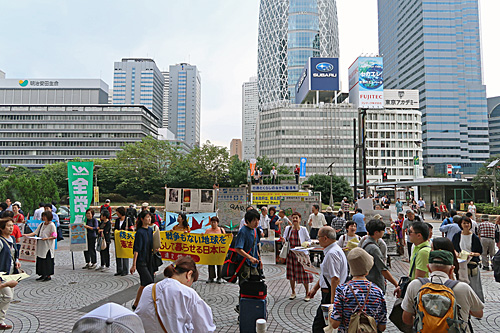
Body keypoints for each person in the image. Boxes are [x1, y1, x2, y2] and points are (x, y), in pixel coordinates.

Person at [401, 250, 484, 332]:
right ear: (452, 269)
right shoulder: (463, 288)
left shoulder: (415, 285)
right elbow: (479, 314)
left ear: (428, 268)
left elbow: (406, 319)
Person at [135, 257, 216, 332]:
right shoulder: (188, 294)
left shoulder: (148, 289)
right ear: (189, 274)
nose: (190, 285)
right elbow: (204, 328)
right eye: (191, 281)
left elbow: (141, 317)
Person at [329, 247, 387, 333]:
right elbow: (382, 327)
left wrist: (331, 309)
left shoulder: (342, 290)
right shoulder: (378, 291)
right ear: (367, 270)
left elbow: (335, 324)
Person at [307, 226, 348, 333]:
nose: (318, 239)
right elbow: (326, 276)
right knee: (322, 326)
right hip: (330, 294)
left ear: (325, 238)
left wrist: (332, 303)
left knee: (319, 327)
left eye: (319, 237)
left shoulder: (332, 253)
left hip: (330, 295)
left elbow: (335, 279)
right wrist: (315, 289)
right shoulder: (334, 250)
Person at [361, 219, 399, 293]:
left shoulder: (366, 241)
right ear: (376, 232)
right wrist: (396, 284)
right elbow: (383, 269)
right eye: (382, 230)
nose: (384, 232)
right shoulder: (374, 248)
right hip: (374, 282)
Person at [452, 216, 484, 302]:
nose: (466, 225)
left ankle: (476, 303)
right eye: (464, 223)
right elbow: (453, 248)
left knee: (475, 285)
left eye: (468, 223)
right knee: (461, 285)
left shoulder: (474, 237)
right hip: (460, 264)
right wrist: (456, 253)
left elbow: (479, 252)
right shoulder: (457, 236)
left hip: (472, 264)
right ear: (460, 224)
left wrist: (473, 254)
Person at [282, 212, 312, 301]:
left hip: (301, 255)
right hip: (291, 255)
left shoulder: (303, 229)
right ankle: (293, 292)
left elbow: (308, 240)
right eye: (293, 218)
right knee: (292, 274)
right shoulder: (288, 229)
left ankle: (307, 293)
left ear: (300, 219)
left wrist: (307, 244)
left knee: (304, 274)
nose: (295, 219)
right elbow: (285, 239)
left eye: (296, 218)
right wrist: (283, 240)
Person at [130, 210, 157, 310]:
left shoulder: (150, 230)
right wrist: (134, 265)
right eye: (147, 217)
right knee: (149, 283)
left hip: (149, 260)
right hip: (141, 262)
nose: (149, 219)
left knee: (144, 284)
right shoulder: (139, 232)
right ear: (142, 219)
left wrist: (155, 248)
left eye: (150, 217)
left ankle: (136, 304)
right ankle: (148, 304)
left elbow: (151, 245)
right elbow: (136, 250)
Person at [25, 211, 56, 282]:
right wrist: (27, 235)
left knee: (47, 260)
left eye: (45, 216)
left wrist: (47, 238)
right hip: (41, 245)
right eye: (43, 216)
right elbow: (35, 232)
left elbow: (54, 236)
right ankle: (42, 274)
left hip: (47, 245)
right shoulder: (42, 224)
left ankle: (47, 275)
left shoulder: (52, 225)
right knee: (40, 259)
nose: (43, 218)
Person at [0, 218, 20, 330]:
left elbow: (15, 253)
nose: (11, 228)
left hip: (11, 272)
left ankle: (1, 320)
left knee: (6, 297)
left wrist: (17, 260)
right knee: (7, 296)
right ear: (1, 228)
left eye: (12, 225)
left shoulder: (12, 238)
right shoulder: (0, 241)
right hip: (2, 274)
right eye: (8, 226)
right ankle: (0, 321)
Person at [234, 209, 261, 284]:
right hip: (244, 263)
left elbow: (255, 246)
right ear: (247, 221)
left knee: (254, 283)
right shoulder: (243, 231)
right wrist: (250, 257)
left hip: (254, 263)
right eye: (254, 220)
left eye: (258, 220)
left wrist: (259, 259)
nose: (257, 222)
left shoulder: (255, 230)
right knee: (244, 285)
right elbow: (238, 248)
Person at [205, 216, 225, 283]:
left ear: (217, 223)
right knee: (211, 264)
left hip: (219, 250)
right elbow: (204, 240)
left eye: (214, 222)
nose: (213, 223)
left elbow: (225, 239)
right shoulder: (208, 231)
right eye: (212, 222)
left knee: (219, 264)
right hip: (211, 249)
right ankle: (211, 277)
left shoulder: (221, 230)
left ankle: (219, 277)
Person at [114, 206, 133, 276]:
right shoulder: (117, 220)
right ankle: (119, 269)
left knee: (125, 254)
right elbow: (115, 229)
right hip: (118, 240)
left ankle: (125, 270)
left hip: (125, 240)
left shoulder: (128, 220)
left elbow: (131, 229)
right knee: (118, 254)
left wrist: (124, 231)